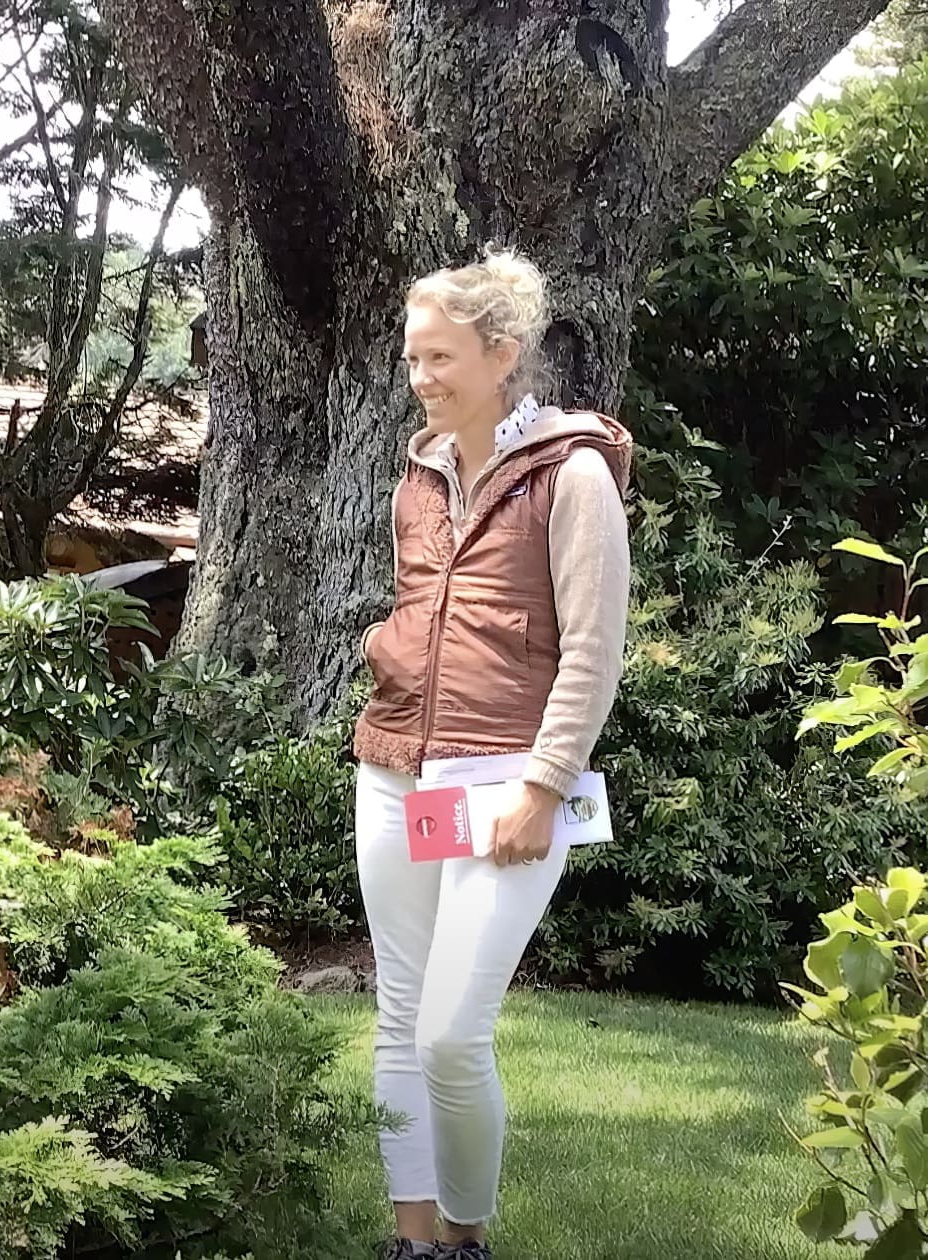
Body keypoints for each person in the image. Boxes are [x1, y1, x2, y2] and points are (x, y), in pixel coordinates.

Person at [352, 249, 632, 1259]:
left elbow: (593, 652)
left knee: (449, 1036)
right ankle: (411, 1241)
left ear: (502, 352)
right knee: (397, 1019)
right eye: (412, 358)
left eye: (441, 357)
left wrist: (543, 786)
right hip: (392, 776)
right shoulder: (420, 475)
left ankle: (466, 1245)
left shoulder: (576, 474)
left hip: (510, 786)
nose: (422, 377)